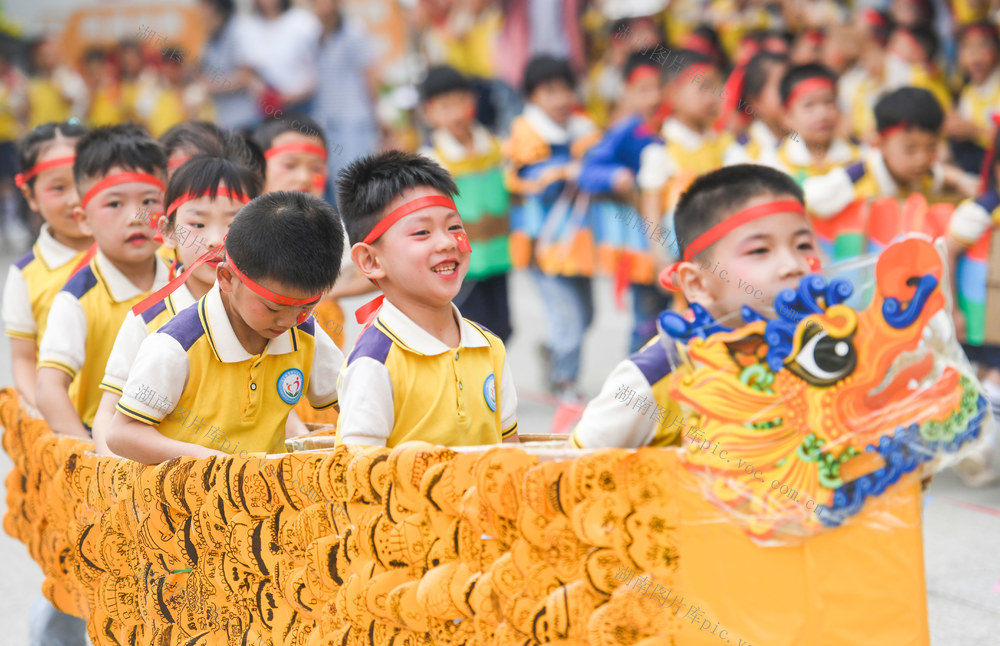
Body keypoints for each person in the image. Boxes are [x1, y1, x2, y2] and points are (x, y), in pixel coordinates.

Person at [572, 164, 818, 448]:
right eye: (760, 250)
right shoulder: (662, 371)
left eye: (803, 245)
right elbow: (572, 470)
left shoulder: (829, 347)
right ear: (697, 283)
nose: (793, 266)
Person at [106, 191, 345, 463]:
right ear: (226, 277)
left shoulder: (306, 333)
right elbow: (121, 433)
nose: (288, 322)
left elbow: (353, 403)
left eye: (305, 308)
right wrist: (215, 463)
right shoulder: (176, 346)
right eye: (273, 308)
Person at [335, 150, 519, 447]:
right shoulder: (374, 363)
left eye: (455, 227)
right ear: (370, 260)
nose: (447, 242)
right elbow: (359, 480)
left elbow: (510, 454)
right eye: (422, 232)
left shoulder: (489, 346)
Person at [93, 150, 263, 456]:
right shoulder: (148, 319)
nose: (215, 240)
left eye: (234, 225)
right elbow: (108, 415)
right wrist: (116, 481)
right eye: (197, 225)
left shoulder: (266, 313)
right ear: (168, 233)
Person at [35, 123, 172, 437]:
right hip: (105, 448)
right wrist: (90, 454)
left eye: (149, 202)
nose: (136, 217)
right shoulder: (76, 299)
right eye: (114, 204)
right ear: (84, 220)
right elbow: (49, 388)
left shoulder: (184, 279)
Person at [504, 55, 599, 401]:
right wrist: (565, 170)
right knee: (569, 316)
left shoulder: (582, 128)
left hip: (578, 241)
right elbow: (522, 179)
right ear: (532, 96)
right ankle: (565, 382)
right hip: (542, 244)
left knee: (588, 314)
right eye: (550, 91)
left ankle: (553, 351)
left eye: (565, 89)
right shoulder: (525, 134)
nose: (560, 99)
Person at [635, 50, 731, 351]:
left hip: (720, 256)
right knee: (680, 318)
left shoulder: (724, 146)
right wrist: (656, 251)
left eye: (717, 88)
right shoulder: (662, 150)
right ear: (672, 93)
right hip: (681, 257)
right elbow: (651, 205)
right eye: (703, 87)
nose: (712, 96)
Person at [418, 65, 512, 341]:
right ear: (428, 113)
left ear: (473, 102)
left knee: (502, 326)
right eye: (446, 107)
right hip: (459, 258)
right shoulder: (430, 157)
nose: (457, 113)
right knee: (470, 326)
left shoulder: (496, 145)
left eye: (462, 102)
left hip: (497, 254)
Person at [3, 122, 90, 411]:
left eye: (83, 182)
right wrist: (49, 416)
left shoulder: (136, 256)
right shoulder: (25, 275)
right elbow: (24, 359)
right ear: (30, 196)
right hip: (66, 426)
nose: (75, 199)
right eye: (58, 187)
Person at [804, 87, 980, 221]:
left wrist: (961, 180)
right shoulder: (856, 178)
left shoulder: (924, 175)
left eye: (931, 148)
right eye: (910, 149)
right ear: (880, 144)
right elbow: (808, 197)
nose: (923, 159)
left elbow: (942, 174)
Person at [944, 125, 1000, 486]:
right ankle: (979, 446)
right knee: (990, 379)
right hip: (986, 321)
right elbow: (947, 252)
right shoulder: (982, 210)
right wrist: (955, 310)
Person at [309, 0, 380, 195]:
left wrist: (378, 118)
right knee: (335, 183)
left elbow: (370, 76)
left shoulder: (354, 33)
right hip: (327, 121)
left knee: (357, 182)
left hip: (354, 121)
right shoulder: (316, 37)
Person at [760, 63, 862, 182]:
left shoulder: (862, 156)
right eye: (809, 105)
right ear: (787, 116)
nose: (822, 114)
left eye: (829, 102)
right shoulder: (772, 162)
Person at [239, 0, 321, 118]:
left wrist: (286, 97)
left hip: (303, 107)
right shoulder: (248, 26)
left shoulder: (304, 21)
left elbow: (317, 69)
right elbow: (247, 72)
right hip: (266, 110)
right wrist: (265, 94)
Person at [946, 21, 1000, 174]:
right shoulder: (968, 92)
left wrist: (975, 130)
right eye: (967, 48)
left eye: (982, 47)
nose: (975, 56)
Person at [723, 51, 789, 165]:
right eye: (782, 87)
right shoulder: (740, 155)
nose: (790, 94)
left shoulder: (809, 140)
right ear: (755, 100)